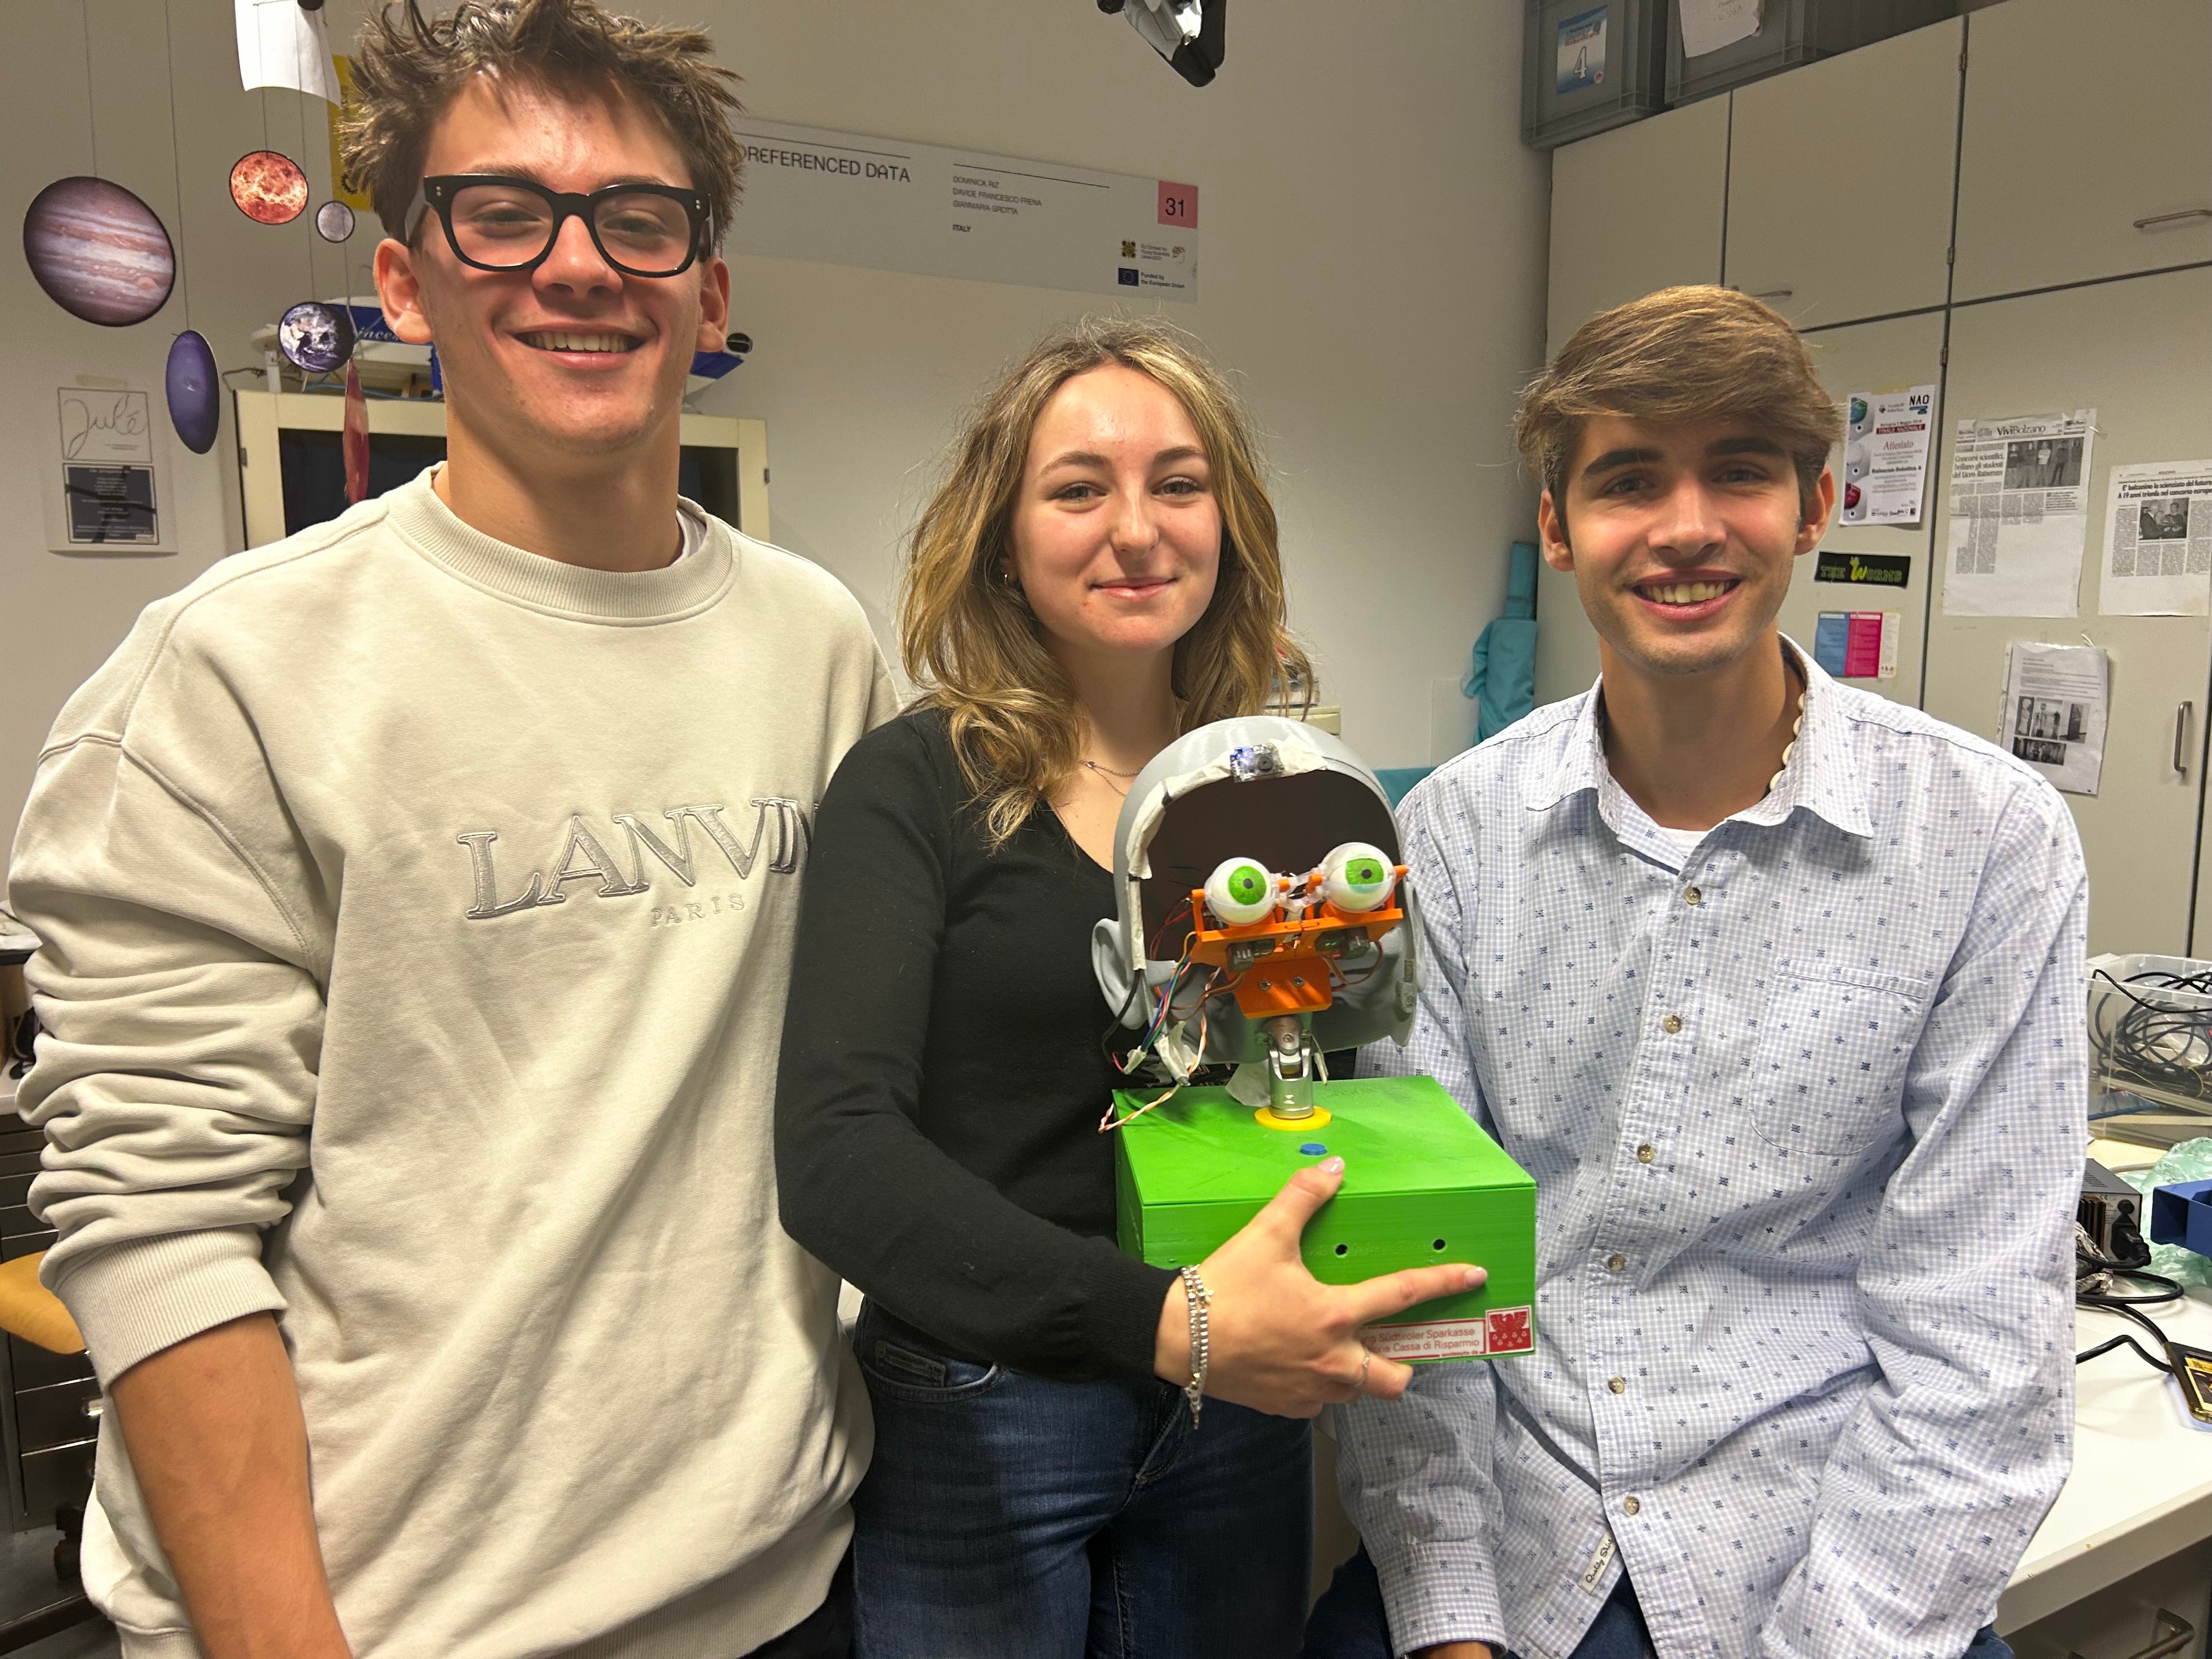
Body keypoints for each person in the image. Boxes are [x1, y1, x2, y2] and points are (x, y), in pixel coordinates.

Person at [5, 2, 893, 1654]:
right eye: (502, 212)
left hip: (779, 1585)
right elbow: (159, 1230)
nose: (578, 265)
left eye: (641, 219)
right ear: (406, 281)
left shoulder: (818, 642)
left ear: (708, 289)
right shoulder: (233, 674)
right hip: (394, 1622)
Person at [1304, 286, 2085, 1659]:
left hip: (1829, 1561)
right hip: (1513, 1535)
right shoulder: (1455, 837)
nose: (1685, 527)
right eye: (1627, 481)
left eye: (1738, 471)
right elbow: (1421, 1283)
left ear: (1817, 502)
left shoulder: (1985, 842)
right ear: (1555, 527)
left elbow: (1981, 1350)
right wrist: (1450, 1620)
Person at [774, 316, 1483, 1659]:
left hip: (1235, 1409)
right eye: (1079, 487)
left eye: (1177, 482)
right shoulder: (917, 785)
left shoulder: (1272, 785)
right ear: (1002, 533)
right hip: (987, 1405)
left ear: (1229, 521)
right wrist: (1171, 1324)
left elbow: (1329, 1059)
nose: (1136, 528)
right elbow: (836, 1157)